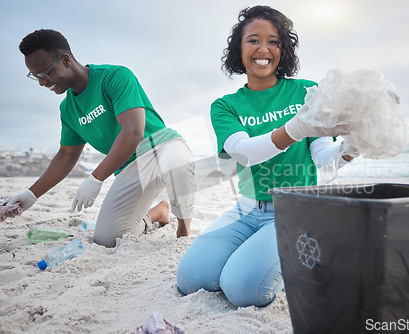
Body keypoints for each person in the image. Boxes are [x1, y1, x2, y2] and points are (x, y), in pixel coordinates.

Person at [176, 5, 355, 308]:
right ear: (239, 48)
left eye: (273, 41)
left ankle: (307, 250)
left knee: (244, 289)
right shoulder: (225, 106)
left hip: (296, 211)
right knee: (192, 278)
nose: (264, 49)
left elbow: (325, 158)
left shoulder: (307, 92)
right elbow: (243, 153)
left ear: (283, 49)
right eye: (253, 40)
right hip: (247, 211)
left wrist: (353, 146)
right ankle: (267, 250)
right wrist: (295, 127)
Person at [5, 29, 196, 247]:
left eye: (44, 73)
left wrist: (96, 178)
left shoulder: (115, 76)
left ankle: (183, 228)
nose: (42, 82)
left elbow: (133, 131)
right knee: (107, 238)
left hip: (161, 148)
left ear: (65, 60)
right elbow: (66, 155)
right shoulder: (68, 109)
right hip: (129, 168)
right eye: (36, 76)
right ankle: (159, 213)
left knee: (179, 164)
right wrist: (31, 194)